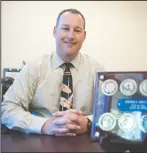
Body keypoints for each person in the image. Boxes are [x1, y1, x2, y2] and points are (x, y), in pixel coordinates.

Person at [1, 8, 104, 136]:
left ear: (84, 36)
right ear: (55, 31)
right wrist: (43, 125)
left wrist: (89, 123)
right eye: (65, 28)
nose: (71, 36)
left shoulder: (97, 70)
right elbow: (7, 109)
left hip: (83, 141)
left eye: (77, 30)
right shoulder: (34, 67)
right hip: (41, 139)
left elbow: (110, 111)